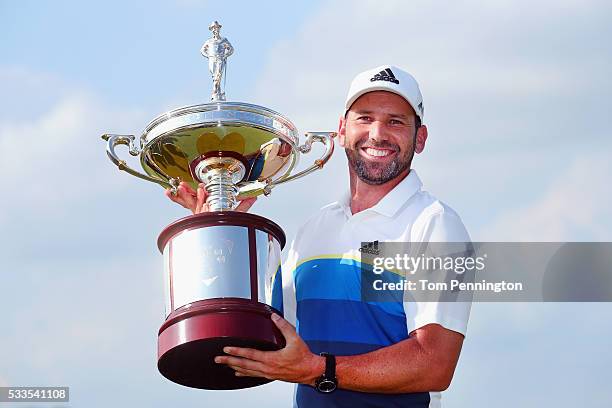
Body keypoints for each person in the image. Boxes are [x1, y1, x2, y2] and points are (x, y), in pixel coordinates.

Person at [166, 65, 471, 407]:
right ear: (341, 131)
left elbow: (434, 364)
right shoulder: (315, 229)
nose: (378, 134)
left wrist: (318, 370)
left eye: (395, 122)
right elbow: (263, 336)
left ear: (421, 138)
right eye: (364, 118)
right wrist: (219, 231)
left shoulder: (436, 224)